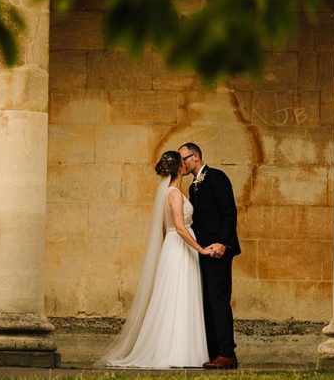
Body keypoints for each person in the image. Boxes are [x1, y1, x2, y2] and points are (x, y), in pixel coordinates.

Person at [96, 151, 210, 368]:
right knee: (180, 296)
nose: (186, 164)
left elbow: (165, 230)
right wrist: (200, 249)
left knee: (176, 297)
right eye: (183, 162)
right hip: (181, 245)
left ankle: (179, 350)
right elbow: (179, 227)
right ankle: (178, 353)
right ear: (180, 168)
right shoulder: (174, 194)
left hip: (173, 246)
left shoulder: (167, 193)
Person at [179, 142, 240, 369]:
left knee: (218, 299)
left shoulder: (216, 177)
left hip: (218, 251)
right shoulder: (193, 186)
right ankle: (214, 353)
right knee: (206, 301)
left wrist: (223, 243)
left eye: (183, 158)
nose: (181, 164)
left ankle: (227, 353)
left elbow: (229, 211)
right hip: (202, 250)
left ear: (195, 157)